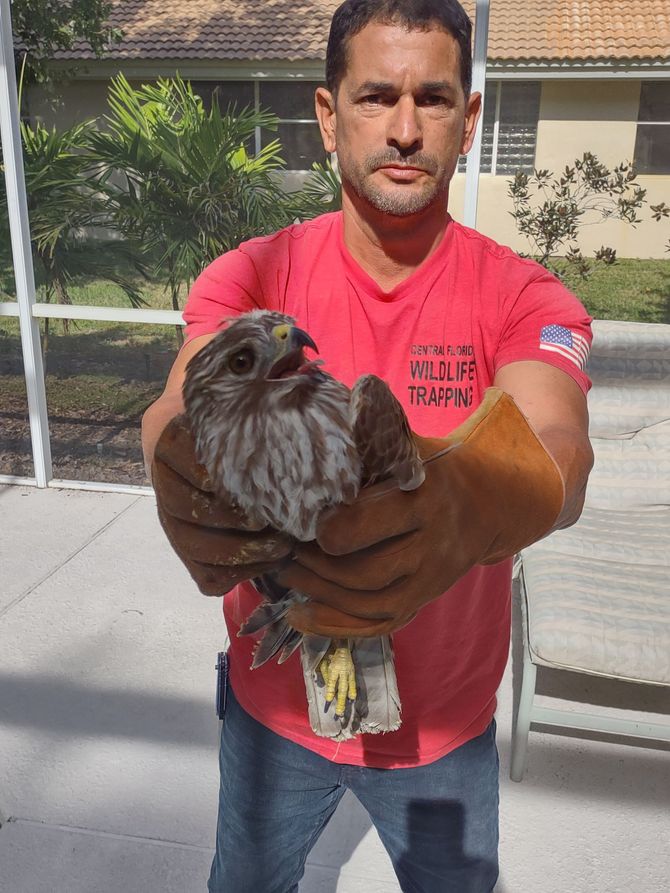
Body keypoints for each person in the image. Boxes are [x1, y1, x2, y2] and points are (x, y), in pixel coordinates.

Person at [142, 2, 594, 890]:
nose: (402, 127)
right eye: (375, 96)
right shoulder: (255, 274)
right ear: (327, 114)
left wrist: (467, 502)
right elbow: (178, 399)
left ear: (468, 121)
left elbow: (556, 448)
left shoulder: (524, 294)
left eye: (432, 99)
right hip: (274, 709)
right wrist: (171, 459)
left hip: (443, 727)